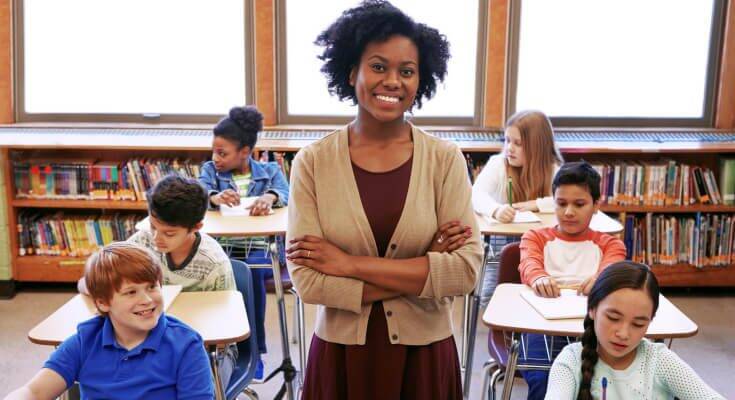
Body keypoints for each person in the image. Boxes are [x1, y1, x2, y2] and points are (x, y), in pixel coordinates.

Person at [286, 1, 481, 399]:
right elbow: (307, 282)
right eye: (378, 66)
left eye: (406, 71)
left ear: (420, 81)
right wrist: (424, 269)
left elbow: (463, 272)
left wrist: (348, 265)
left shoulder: (444, 161)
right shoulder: (313, 162)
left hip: (424, 356)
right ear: (352, 72)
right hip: (341, 354)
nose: (393, 80)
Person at [78, 174, 237, 386]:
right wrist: (94, 284)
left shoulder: (214, 264)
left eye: (169, 233)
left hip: (209, 348)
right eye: (153, 227)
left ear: (196, 227)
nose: (156, 238)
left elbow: (226, 329)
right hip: (146, 338)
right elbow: (94, 281)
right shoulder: (142, 242)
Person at [5, 242, 214, 400]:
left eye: (152, 287)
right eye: (131, 292)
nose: (148, 300)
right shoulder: (85, 341)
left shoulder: (186, 345)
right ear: (103, 303)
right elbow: (34, 391)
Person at [517, 161, 627, 400]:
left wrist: (600, 279)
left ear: (596, 205)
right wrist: (539, 277)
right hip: (541, 328)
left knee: (602, 382)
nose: (568, 212)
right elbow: (529, 264)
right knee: (544, 380)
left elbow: (613, 270)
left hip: (592, 330)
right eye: (561, 203)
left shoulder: (611, 245)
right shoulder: (534, 237)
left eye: (579, 204)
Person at [198, 105, 289, 380]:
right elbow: (199, 189)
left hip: (261, 249)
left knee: (250, 276)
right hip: (223, 248)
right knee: (227, 276)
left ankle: (253, 352)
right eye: (214, 151)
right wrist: (214, 197)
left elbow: (285, 192)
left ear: (246, 152)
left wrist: (270, 198)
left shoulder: (270, 171)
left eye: (222, 153)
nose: (216, 158)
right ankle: (222, 348)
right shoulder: (211, 172)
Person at [545, 261, 725, 400]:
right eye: (613, 318)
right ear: (592, 309)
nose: (623, 334)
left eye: (638, 324)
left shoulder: (660, 361)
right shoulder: (571, 361)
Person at [472, 110, 563, 306]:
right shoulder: (498, 165)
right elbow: (476, 194)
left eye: (517, 143)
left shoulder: (553, 169)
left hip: (541, 248)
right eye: (507, 141)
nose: (509, 148)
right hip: (500, 245)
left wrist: (536, 204)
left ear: (537, 147)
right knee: (493, 292)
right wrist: (496, 210)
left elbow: (566, 200)